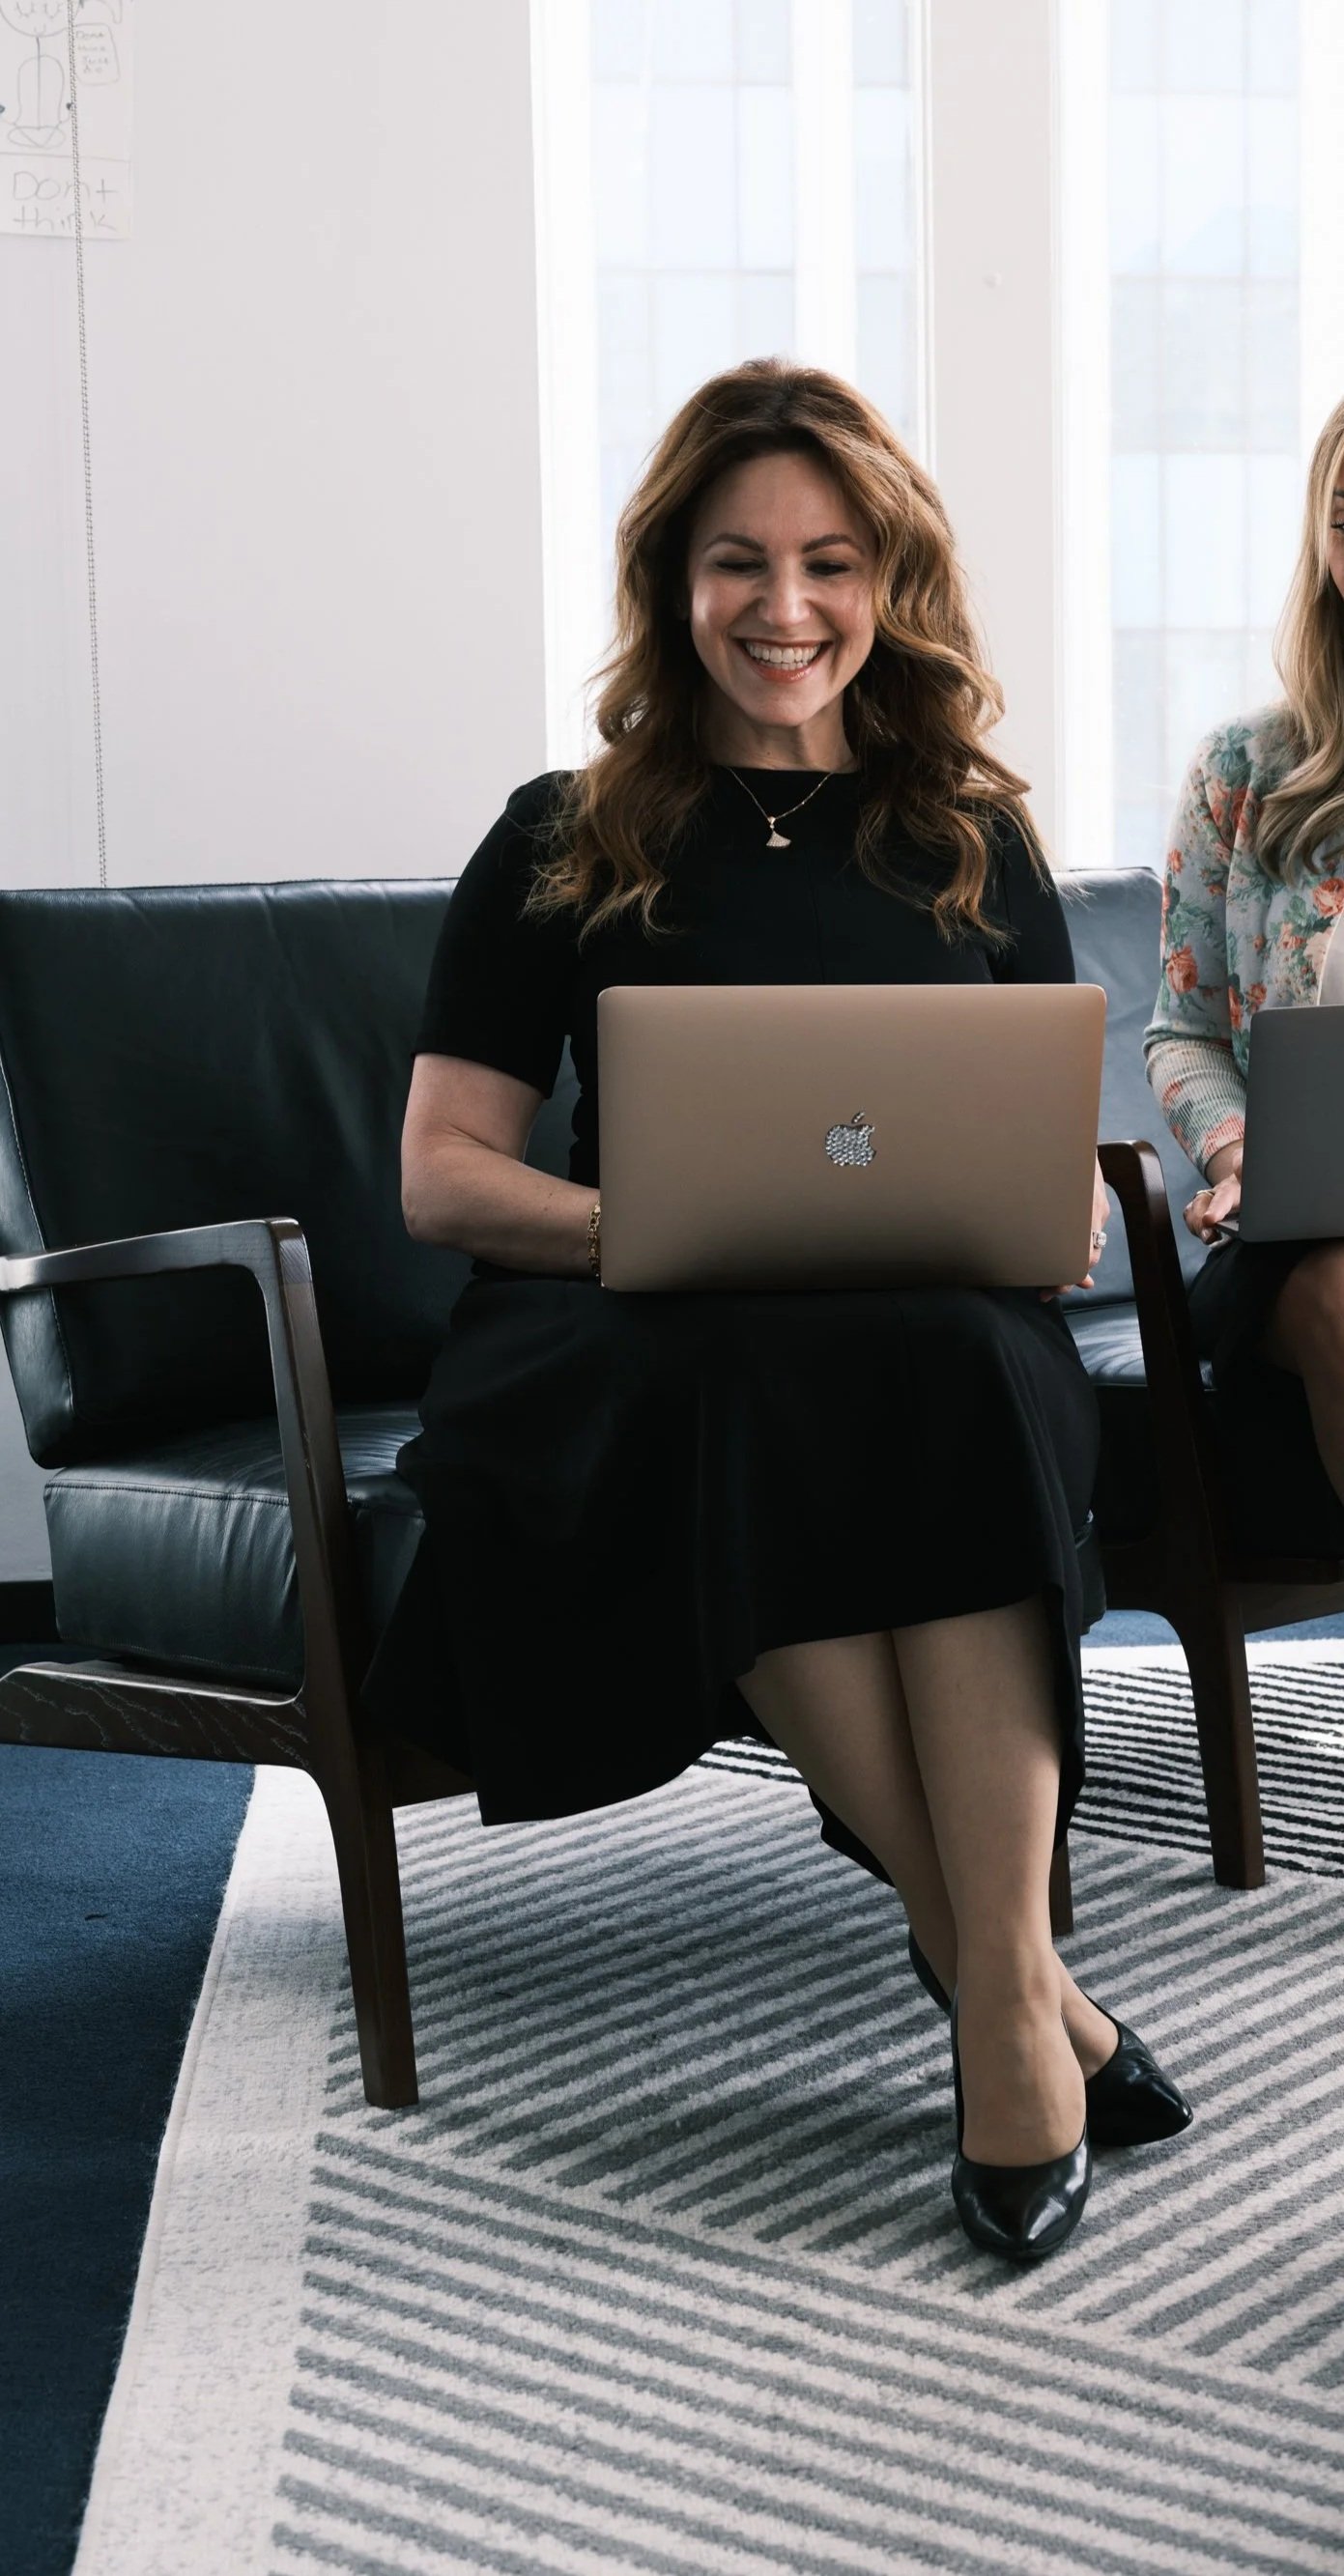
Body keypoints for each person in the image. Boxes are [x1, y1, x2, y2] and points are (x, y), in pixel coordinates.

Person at [364, 357, 1190, 2262]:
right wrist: (654, 1218)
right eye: (735, 561)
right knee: (744, 1378)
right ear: (672, 579)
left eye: (827, 560)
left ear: (885, 578)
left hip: (914, 1335)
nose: (782, 606)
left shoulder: (969, 837)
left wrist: (1047, 1201)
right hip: (628, 1330)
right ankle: (1012, 1995)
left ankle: (991, 1977)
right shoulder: (561, 833)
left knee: (949, 1366)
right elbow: (443, 1174)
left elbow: (1046, 1164)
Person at [1147, 395, 1344, 1487]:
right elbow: (1179, 1031)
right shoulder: (1243, 767)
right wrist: (1237, 1156)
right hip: (1296, 1250)